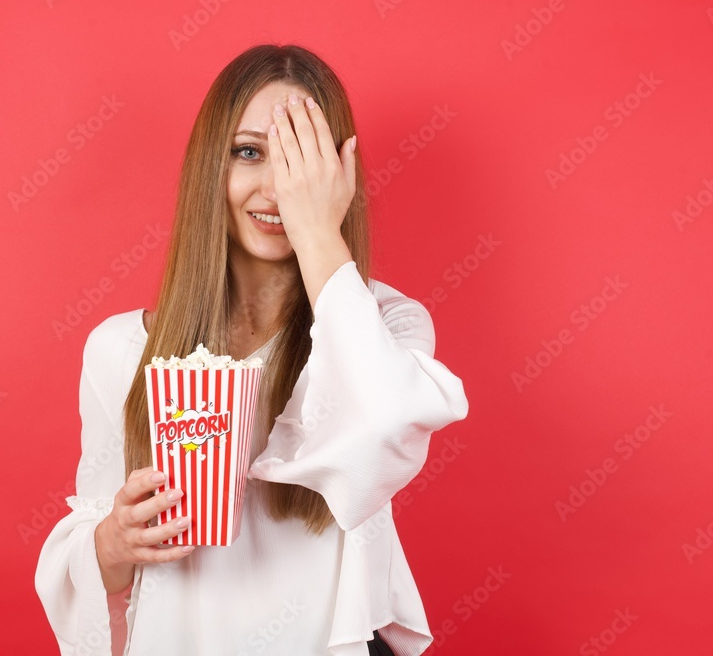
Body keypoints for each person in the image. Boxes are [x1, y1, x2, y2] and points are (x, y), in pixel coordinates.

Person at [35, 43, 469, 656]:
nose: (277, 188)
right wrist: (112, 542)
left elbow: (379, 436)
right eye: (250, 152)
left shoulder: (386, 323)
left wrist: (318, 231)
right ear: (209, 165)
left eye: (302, 160)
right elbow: (98, 545)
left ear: (339, 176)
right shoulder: (121, 349)